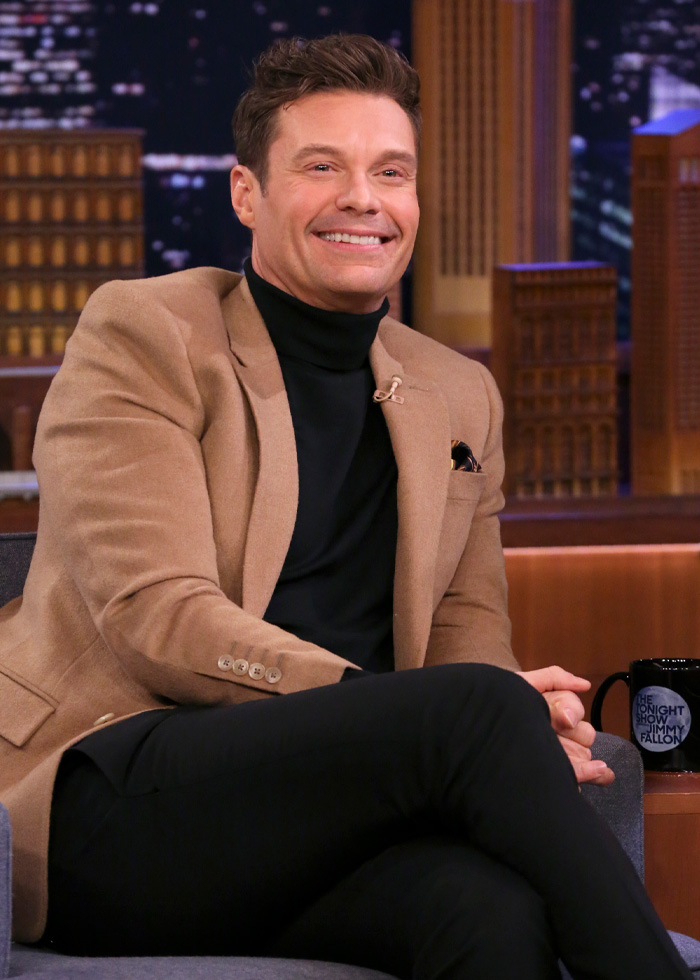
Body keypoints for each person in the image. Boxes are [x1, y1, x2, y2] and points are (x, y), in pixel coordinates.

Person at [0, 33, 692, 980]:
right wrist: (419, 713)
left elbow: (464, 632)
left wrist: (496, 722)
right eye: (321, 166)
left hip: (329, 811)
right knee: (480, 713)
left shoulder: (457, 392)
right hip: (114, 799)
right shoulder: (147, 333)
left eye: (391, 171)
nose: (363, 198)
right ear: (248, 193)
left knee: (485, 914)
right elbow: (156, 619)